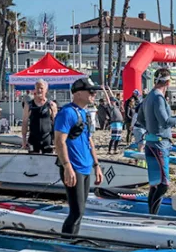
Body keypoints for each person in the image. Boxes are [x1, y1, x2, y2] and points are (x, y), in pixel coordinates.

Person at [54, 77, 103, 235]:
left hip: (86, 166)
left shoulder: (85, 113)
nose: (94, 95)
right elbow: (59, 141)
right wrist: (67, 166)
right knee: (76, 211)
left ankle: (72, 240)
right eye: (91, 92)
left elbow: (89, 141)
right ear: (78, 93)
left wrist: (96, 165)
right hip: (73, 167)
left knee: (80, 212)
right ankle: (66, 242)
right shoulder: (67, 113)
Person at [143, 68, 176, 214]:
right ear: (168, 82)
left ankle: (151, 214)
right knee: (163, 184)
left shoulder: (149, 96)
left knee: (155, 184)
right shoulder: (158, 98)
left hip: (151, 142)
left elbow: (141, 119)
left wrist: (151, 129)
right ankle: (153, 214)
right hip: (159, 145)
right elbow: (166, 122)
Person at [21, 79, 57, 154]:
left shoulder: (51, 105)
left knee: (48, 160)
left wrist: (56, 140)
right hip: (33, 139)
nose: (39, 90)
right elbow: (24, 122)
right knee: (33, 160)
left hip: (47, 139)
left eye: (41, 88)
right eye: (37, 88)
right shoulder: (29, 105)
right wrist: (24, 140)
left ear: (46, 90)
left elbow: (56, 123)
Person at [101, 85, 125, 154]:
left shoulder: (116, 106)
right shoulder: (110, 106)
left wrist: (109, 89)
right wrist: (104, 90)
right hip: (115, 123)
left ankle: (115, 150)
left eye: (114, 101)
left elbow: (112, 97)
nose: (114, 101)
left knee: (118, 137)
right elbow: (107, 98)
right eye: (113, 101)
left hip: (120, 122)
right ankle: (109, 150)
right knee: (114, 137)